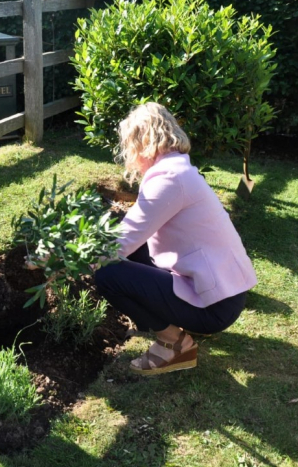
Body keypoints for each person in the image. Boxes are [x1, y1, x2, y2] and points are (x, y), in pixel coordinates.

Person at [94, 103, 257, 376]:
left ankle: (176, 343)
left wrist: (63, 257)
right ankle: (178, 328)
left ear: (143, 142)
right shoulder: (177, 170)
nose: (129, 157)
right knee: (128, 253)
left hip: (216, 307)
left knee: (107, 274)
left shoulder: (168, 179)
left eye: (130, 147)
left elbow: (116, 246)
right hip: (223, 292)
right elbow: (132, 229)